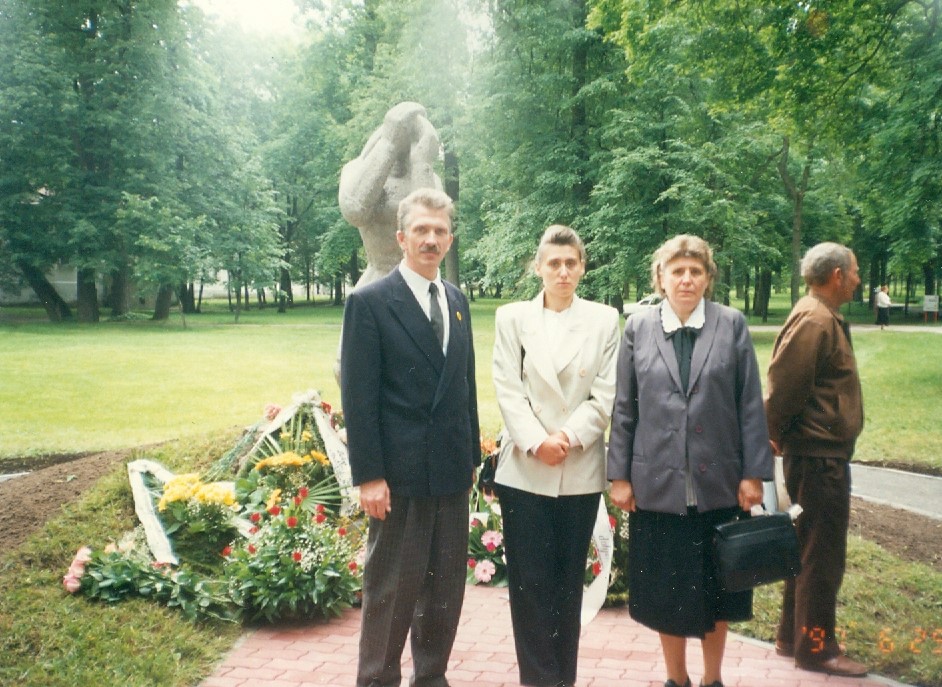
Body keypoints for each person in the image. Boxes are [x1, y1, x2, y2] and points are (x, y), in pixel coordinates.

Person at [607, 234, 773, 687]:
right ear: (660, 278)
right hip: (658, 488)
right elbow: (625, 407)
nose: (686, 279)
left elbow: (749, 404)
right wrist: (619, 475)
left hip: (719, 485)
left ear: (707, 278)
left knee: (719, 592)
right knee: (668, 593)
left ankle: (712, 679)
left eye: (695, 271)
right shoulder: (638, 328)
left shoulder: (731, 324)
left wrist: (753, 474)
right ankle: (676, 679)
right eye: (677, 271)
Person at [340, 187, 480, 687]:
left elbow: (465, 387)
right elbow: (359, 399)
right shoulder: (370, 303)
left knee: (444, 594)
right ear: (401, 237)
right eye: (421, 229)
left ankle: (431, 679)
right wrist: (369, 476)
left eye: (440, 231)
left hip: (449, 474)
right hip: (398, 479)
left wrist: (470, 459)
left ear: (450, 239)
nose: (431, 239)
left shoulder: (457, 301)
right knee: (391, 594)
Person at [491, 225, 620, 687]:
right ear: (538, 267)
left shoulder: (604, 320)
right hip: (525, 468)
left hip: (578, 467)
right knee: (529, 587)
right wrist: (536, 441)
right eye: (554, 263)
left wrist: (565, 436)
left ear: (582, 267)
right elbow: (507, 387)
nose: (562, 271)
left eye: (571, 263)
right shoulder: (512, 318)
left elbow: (605, 393)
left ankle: (563, 679)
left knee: (567, 586)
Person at [765, 242, 868, 678]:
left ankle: (793, 638)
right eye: (855, 271)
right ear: (837, 275)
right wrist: (772, 432)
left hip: (818, 455)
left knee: (807, 550)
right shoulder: (815, 318)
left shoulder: (822, 315)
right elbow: (784, 385)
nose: (859, 279)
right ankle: (817, 649)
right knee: (822, 556)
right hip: (817, 458)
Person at [339, 102, 442, 289]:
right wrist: (388, 144)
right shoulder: (357, 169)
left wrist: (421, 163)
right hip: (377, 281)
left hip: (420, 283)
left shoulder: (430, 178)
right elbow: (355, 211)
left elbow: (429, 227)